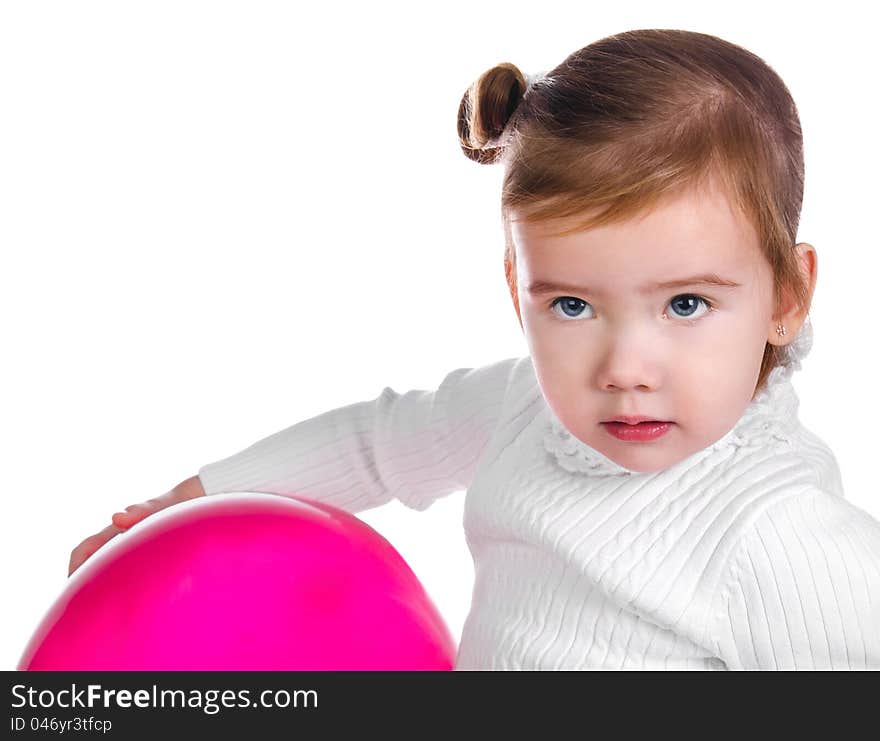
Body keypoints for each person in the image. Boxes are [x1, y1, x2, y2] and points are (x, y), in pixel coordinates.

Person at [69, 28, 880, 670]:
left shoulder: (778, 532)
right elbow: (378, 443)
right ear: (515, 287)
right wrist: (188, 502)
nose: (625, 369)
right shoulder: (524, 405)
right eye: (571, 304)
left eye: (686, 304)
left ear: (786, 296)